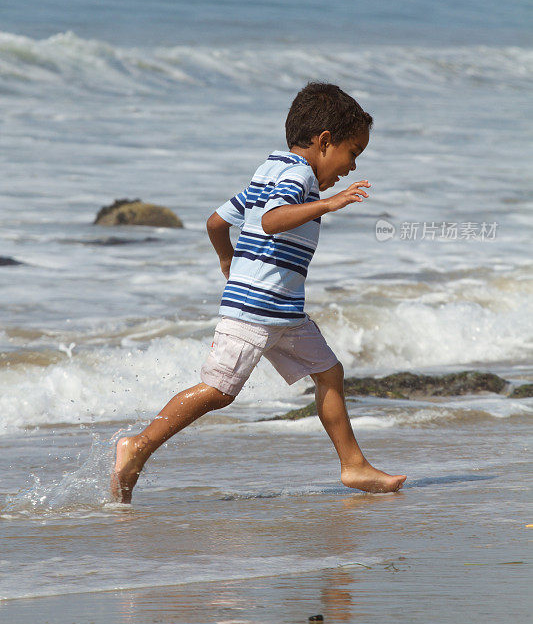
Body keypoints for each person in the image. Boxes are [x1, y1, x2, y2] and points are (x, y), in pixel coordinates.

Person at [111, 82, 407, 503]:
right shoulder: (298, 175)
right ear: (325, 142)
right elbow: (271, 220)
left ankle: (353, 466)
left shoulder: (267, 170)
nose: (352, 168)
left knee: (329, 372)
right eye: (353, 153)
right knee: (218, 390)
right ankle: (136, 446)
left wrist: (227, 262)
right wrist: (329, 203)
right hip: (255, 310)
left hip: (283, 312)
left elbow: (216, 222)